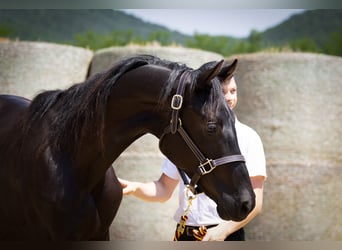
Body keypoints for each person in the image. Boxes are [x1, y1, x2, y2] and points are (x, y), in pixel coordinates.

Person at [118, 59, 267, 241]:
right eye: (223, 92)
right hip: (184, 234)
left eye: (233, 91)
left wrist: (223, 231)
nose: (229, 97)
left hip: (224, 235)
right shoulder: (188, 140)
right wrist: (135, 187)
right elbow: (164, 189)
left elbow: (255, 202)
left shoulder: (248, 137)